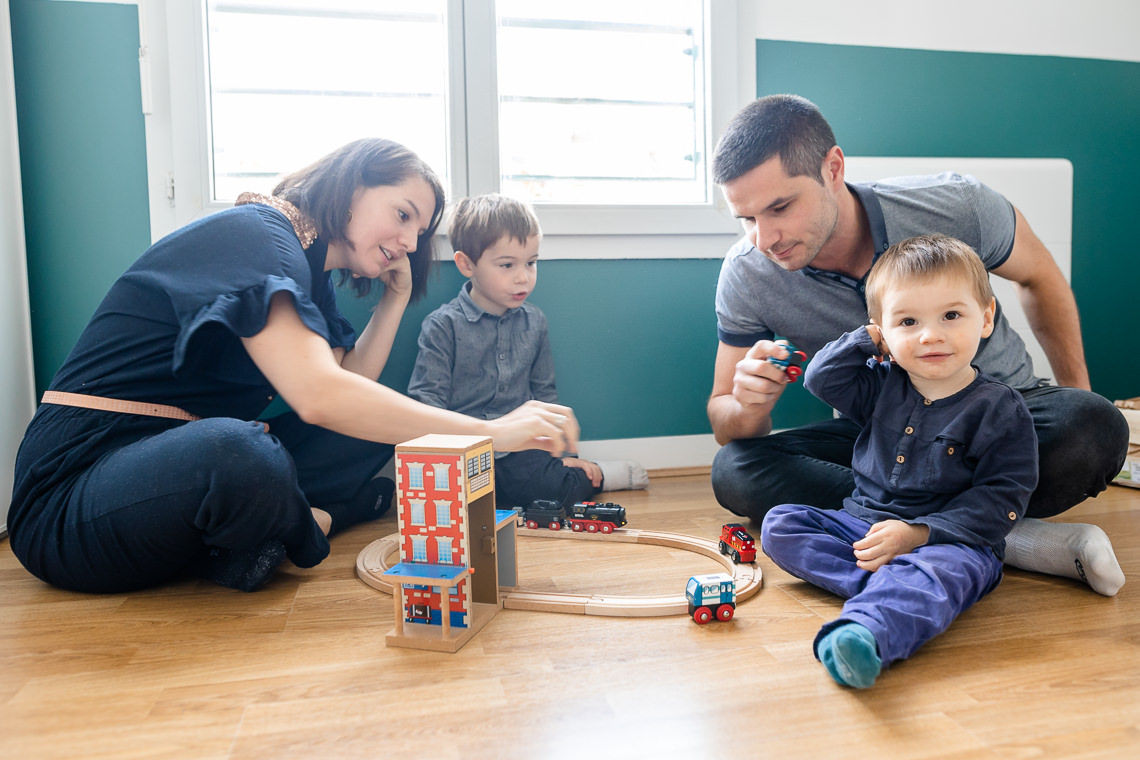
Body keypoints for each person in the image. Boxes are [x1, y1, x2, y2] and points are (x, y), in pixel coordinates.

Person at [8, 139, 582, 594]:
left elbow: (350, 391)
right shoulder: (259, 234)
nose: (409, 241)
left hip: (167, 472)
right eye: (402, 214)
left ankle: (263, 532)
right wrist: (492, 431)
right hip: (72, 496)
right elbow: (318, 395)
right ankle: (302, 525)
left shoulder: (306, 270)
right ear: (352, 186)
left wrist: (395, 300)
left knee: (383, 427)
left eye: (419, 231)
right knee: (239, 451)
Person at [709, 94, 1128, 596]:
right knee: (735, 469)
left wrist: (1076, 394)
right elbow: (724, 417)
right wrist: (749, 403)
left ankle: (924, 527)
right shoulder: (748, 272)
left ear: (833, 167)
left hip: (1001, 419)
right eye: (747, 219)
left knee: (1095, 426)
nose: (765, 239)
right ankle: (999, 536)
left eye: (780, 207)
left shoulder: (958, 205)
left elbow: (1042, 278)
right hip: (885, 439)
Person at [762, 234, 1038, 688]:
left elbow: (1002, 497)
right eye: (908, 321)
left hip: (951, 542)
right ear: (883, 331)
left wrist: (918, 534)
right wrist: (867, 340)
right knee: (780, 524)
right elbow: (820, 378)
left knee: (949, 571)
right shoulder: (881, 383)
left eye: (951, 315)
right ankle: (898, 589)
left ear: (985, 317)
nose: (931, 335)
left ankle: (868, 630)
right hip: (865, 526)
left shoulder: (999, 409)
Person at [407, 194, 647, 509]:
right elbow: (427, 405)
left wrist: (565, 457)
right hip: (468, 452)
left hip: (523, 451)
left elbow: (545, 396)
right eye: (507, 265)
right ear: (467, 264)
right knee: (459, 499)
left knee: (546, 487)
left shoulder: (534, 322)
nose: (523, 276)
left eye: (531, 263)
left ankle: (594, 474)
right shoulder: (442, 326)